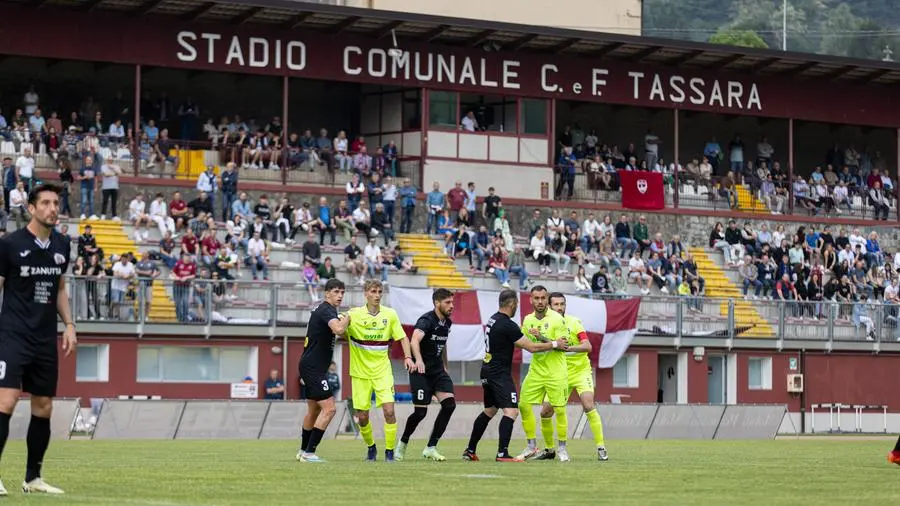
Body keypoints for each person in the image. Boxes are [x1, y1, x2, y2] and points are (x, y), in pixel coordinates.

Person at [0, 183, 76, 494]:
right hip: (13, 334)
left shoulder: (62, 245)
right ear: (31, 208)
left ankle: (32, 479)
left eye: (56, 203)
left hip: (45, 338)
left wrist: (69, 324)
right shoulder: (10, 244)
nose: (52, 208)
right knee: (5, 400)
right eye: (45, 203)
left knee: (43, 406)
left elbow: (59, 289)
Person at [463, 289, 564, 462]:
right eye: (516, 304)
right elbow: (531, 347)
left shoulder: (493, 319)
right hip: (499, 374)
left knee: (489, 410)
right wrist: (554, 343)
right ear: (512, 304)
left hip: (487, 370)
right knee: (511, 411)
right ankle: (502, 453)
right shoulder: (507, 324)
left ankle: (470, 450)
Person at [345, 280, 414, 462]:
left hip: (383, 372)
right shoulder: (353, 314)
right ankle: (371, 448)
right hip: (360, 374)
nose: (377, 295)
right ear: (365, 293)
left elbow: (403, 338)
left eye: (379, 292)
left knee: (389, 412)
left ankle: (389, 451)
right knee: (362, 417)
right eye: (373, 291)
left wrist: (408, 357)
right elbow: (336, 325)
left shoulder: (390, 315)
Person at [536, 293, 609, 461]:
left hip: (580, 372)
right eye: (556, 304)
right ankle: (549, 450)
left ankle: (601, 447)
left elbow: (588, 346)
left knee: (588, 404)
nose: (560, 307)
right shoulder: (544, 325)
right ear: (549, 306)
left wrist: (567, 349)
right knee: (545, 412)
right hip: (559, 374)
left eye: (562, 304)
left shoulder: (574, 322)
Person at [396, 289, 456, 462]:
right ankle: (403, 444)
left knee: (449, 405)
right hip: (420, 371)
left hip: (437, 371)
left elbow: (443, 344)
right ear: (437, 303)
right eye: (447, 302)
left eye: (452, 302)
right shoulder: (426, 320)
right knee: (420, 413)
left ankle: (431, 447)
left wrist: (445, 365)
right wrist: (419, 360)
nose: (451, 306)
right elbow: (414, 340)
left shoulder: (447, 323)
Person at [296, 279, 350, 463]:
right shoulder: (327, 310)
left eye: (342, 292)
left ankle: (302, 450)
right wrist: (348, 318)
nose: (340, 296)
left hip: (311, 365)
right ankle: (309, 453)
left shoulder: (325, 310)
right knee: (330, 409)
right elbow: (339, 329)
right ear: (327, 294)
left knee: (313, 411)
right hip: (313, 368)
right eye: (336, 292)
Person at [516, 285, 571, 462]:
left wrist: (541, 338)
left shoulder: (557, 319)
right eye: (536, 298)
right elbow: (522, 341)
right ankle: (531, 446)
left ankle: (562, 449)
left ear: (547, 299)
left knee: (560, 410)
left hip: (556, 372)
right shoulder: (527, 320)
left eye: (543, 298)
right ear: (531, 300)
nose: (540, 301)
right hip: (536, 371)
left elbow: (563, 346)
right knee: (523, 405)